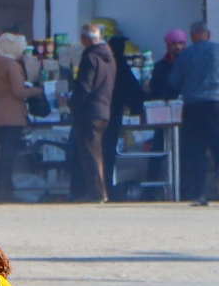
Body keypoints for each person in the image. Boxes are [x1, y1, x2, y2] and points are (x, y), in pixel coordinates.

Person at [174, 21, 219, 205]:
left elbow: (173, 81)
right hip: (217, 105)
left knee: (196, 152)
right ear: (208, 34)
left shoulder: (185, 54)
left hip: (193, 107)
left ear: (192, 36)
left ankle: (197, 194)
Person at [0, 31, 40, 203]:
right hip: (13, 115)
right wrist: (37, 91)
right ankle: (6, 189)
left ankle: (2, 187)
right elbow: (18, 91)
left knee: (3, 153)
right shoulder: (12, 65)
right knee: (9, 153)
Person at [68, 23, 115, 203]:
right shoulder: (109, 56)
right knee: (97, 152)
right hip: (104, 108)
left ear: (85, 39)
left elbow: (84, 86)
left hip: (89, 110)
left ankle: (97, 192)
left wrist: (73, 104)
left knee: (90, 154)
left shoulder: (90, 57)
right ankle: (100, 191)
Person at [102, 33, 145, 197]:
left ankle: (104, 187)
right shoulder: (121, 66)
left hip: (102, 111)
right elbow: (135, 91)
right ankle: (107, 187)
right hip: (114, 114)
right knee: (108, 153)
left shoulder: (105, 63)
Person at [146, 29, 188, 101]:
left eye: (180, 43)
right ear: (168, 46)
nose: (178, 47)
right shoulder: (159, 67)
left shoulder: (190, 64)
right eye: (174, 44)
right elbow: (154, 90)